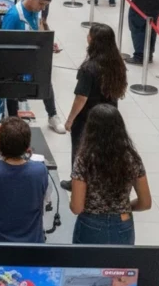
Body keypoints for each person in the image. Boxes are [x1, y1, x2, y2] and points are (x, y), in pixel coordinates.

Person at [70, 104, 152, 244]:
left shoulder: (84, 160)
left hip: (91, 225)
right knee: (119, 266)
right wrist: (125, 207)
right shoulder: (131, 158)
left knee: (87, 265)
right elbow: (145, 203)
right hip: (122, 223)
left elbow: (77, 207)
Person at [61, 23, 127, 191]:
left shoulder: (88, 68)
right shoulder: (117, 63)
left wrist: (70, 120)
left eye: (89, 36)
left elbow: (81, 97)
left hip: (87, 118)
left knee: (80, 150)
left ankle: (77, 182)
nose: (87, 38)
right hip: (110, 114)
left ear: (94, 41)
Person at [1, 0, 65, 133]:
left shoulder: (35, 11)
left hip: (31, 58)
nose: (42, 8)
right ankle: (13, 122)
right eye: (41, 4)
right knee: (12, 90)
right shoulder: (14, 15)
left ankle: (52, 115)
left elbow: (36, 31)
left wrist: (47, 45)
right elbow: (4, 42)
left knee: (45, 81)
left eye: (45, 5)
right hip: (14, 62)